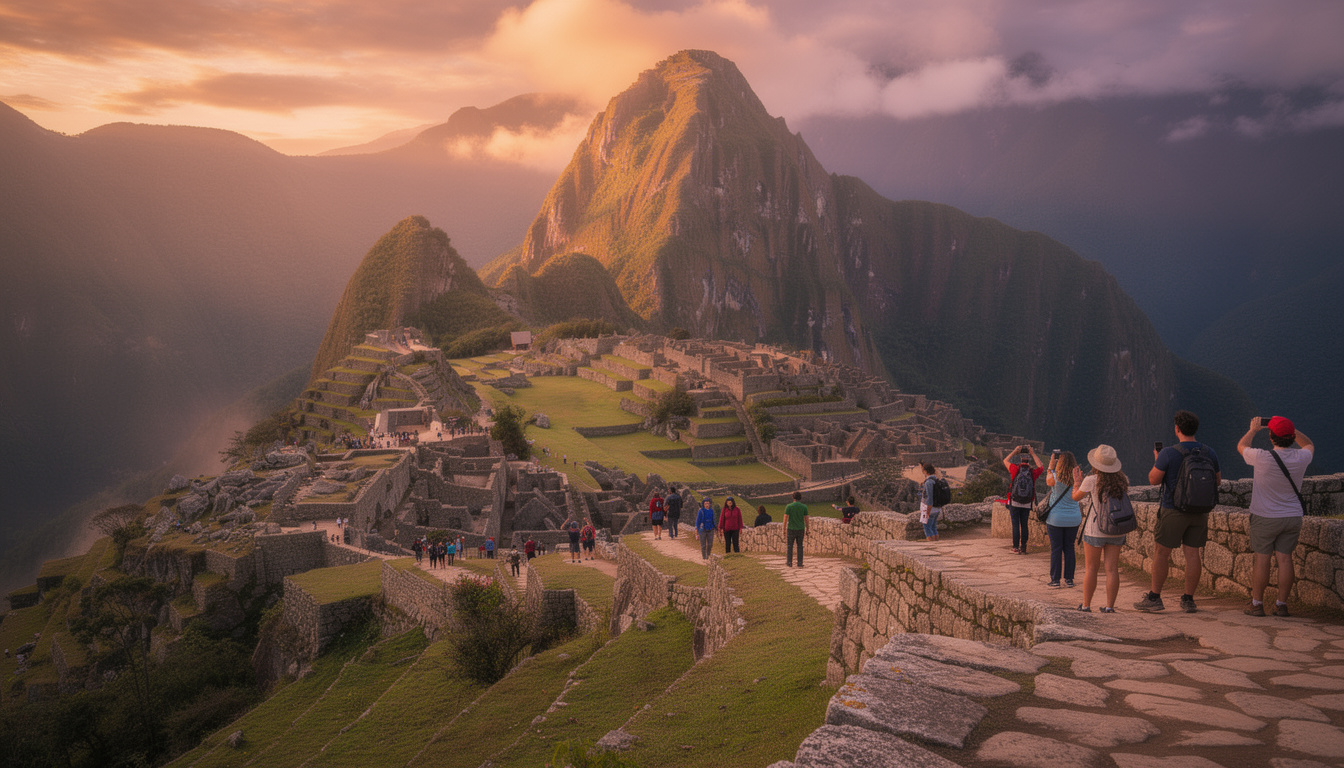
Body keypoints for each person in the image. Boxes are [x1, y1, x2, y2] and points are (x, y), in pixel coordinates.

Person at [1136, 410, 1221, 613]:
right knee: (1193, 555)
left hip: (1173, 510)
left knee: (1161, 553)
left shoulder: (1169, 453)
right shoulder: (1210, 452)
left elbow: (1153, 480)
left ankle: (1155, 598)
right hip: (1200, 511)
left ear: (1177, 429)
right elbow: (1217, 481)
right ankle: (1189, 600)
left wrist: (1158, 459)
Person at [1238, 416, 1314, 617]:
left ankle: (1257, 603)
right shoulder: (1302, 457)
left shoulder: (1262, 457)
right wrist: (1290, 429)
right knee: (1285, 559)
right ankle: (1281, 604)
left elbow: (1241, 446)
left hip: (1265, 516)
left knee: (1262, 560)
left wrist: (1253, 429)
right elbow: (1308, 444)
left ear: (1271, 437)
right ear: (1291, 437)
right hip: (1292, 517)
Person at [1073, 444, 1129, 612]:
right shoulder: (1123, 480)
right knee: (1112, 569)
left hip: (1095, 530)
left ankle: (1086, 605)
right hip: (1116, 529)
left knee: (1091, 568)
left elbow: (1075, 497)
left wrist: (1077, 483)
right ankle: (1110, 607)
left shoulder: (1091, 480)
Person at [1044, 451, 1083, 587]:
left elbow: (1048, 479)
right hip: (1073, 518)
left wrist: (1051, 463)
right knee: (1069, 548)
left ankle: (1055, 580)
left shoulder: (1054, 477)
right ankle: (1069, 579)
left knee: (1056, 548)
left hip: (1056, 518)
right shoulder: (1077, 479)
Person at [1003, 445, 1043, 554]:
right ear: (1029, 462)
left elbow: (1005, 460)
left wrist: (1014, 451)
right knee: (1024, 525)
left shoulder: (1015, 469)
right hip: (1027, 503)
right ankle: (1023, 547)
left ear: (1020, 460)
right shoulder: (1032, 472)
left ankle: (1015, 548)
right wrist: (1033, 453)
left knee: (1015, 525)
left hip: (1015, 501)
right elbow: (1041, 467)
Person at [783, 491, 809, 567]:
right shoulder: (804, 507)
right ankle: (800, 563)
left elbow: (785, 518)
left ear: (793, 497)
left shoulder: (789, 506)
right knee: (800, 546)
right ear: (800, 498)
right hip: (801, 529)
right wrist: (807, 529)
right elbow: (806, 519)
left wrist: (784, 529)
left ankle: (789, 562)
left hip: (791, 528)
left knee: (790, 546)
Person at [918, 465, 942, 541]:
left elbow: (929, 497)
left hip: (928, 508)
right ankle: (937, 544)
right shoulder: (937, 480)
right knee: (933, 527)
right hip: (937, 507)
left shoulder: (928, 482)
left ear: (925, 471)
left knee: (927, 528)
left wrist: (927, 510)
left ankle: (932, 544)